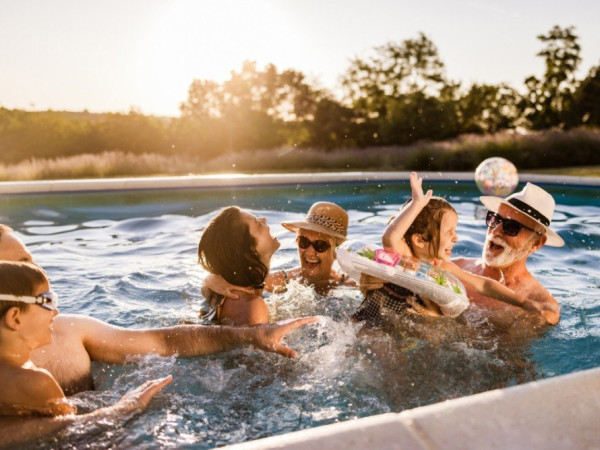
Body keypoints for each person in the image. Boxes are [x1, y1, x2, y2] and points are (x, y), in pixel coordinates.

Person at [0, 224, 317, 396]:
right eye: (19, 265)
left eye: (29, 258)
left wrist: (251, 336)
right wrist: (117, 412)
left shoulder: (72, 329)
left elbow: (166, 341)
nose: (34, 269)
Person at [0, 261, 172, 447]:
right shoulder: (36, 381)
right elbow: (75, 431)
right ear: (15, 318)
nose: (56, 311)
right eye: (48, 301)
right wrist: (125, 408)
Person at [359, 175, 563, 325]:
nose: (496, 230)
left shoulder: (542, 307)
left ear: (537, 243)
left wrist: (439, 322)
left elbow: (506, 360)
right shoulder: (445, 264)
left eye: (511, 227)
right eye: (494, 219)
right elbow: (391, 240)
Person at [204, 201, 354, 298]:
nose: (309, 252)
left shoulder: (350, 284)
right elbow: (235, 282)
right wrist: (212, 280)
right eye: (303, 242)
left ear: (336, 251)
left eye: (320, 245)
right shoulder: (286, 280)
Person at [197, 206, 280, 325]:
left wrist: (209, 279)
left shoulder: (216, 292)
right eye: (257, 223)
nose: (264, 220)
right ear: (250, 249)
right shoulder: (252, 306)